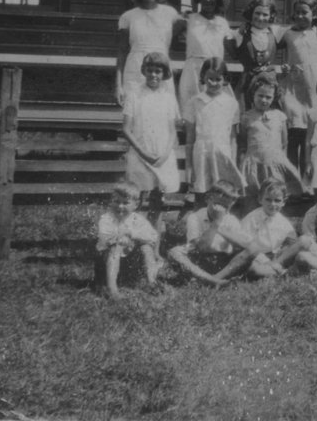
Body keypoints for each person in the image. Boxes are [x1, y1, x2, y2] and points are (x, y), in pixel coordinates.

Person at [122, 52, 180, 239]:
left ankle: (154, 240)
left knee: (157, 198)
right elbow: (126, 129)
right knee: (136, 198)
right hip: (141, 153)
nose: (154, 75)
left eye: (158, 71)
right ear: (144, 71)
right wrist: (142, 152)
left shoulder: (169, 97)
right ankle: (133, 238)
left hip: (162, 154)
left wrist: (165, 153)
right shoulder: (134, 94)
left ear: (164, 74)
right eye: (150, 70)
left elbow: (172, 131)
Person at [115, 0, 184, 104]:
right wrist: (118, 85)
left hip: (161, 67)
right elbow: (122, 52)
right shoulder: (128, 16)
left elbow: (184, 29)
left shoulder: (170, 13)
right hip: (135, 69)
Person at [184, 57, 244, 209]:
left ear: (225, 80)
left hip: (223, 153)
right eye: (209, 78)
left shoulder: (231, 103)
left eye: (218, 79)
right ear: (203, 77)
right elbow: (190, 139)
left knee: (223, 194)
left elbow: (233, 138)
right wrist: (189, 167)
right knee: (201, 195)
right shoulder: (194, 102)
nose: (213, 83)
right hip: (201, 152)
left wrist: (233, 161)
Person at [239, 73, 304, 212]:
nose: (264, 100)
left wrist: (280, 159)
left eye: (268, 97)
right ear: (253, 95)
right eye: (260, 95)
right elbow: (243, 142)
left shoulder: (280, 116)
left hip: (274, 163)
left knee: (274, 196)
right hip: (254, 163)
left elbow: (284, 142)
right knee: (253, 200)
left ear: (274, 97)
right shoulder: (246, 117)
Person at [279, 0, 317, 174]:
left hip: (314, 90)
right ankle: (293, 180)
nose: (300, 16)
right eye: (297, 13)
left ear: (314, 14)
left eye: (304, 12)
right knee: (294, 136)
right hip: (294, 88)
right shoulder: (289, 34)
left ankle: (308, 178)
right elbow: (269, 43)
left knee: (311, 136)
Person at [218, 178, 306, 280]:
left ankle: (277, 268)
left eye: (277, 200)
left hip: (277, 257)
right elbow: (246, 247)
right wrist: (265, 261)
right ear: (260, 199)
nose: (272, 204)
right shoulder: (251, 219)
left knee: (304, 242)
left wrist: (285, 252)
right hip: (257, 258)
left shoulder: (283, 221)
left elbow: (291, 242)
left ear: (283, 202)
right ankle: (281, 272)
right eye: (268, 199)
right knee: (254, 270)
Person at [167, 180, 249, 286]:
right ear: (208, 199)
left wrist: (223, 229)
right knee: (174, 252)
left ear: (231, 204)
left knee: (249, 253)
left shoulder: (232, 220)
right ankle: (214, 281)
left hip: (223, 261)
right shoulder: (195, 217)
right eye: (218, 204)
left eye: (225, 207)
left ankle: (207, 279)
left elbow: (242, 246)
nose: (221, 209)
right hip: (201, 259)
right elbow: (201, 247)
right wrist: (216, 223)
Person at [95, 181, 161, 299]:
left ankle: (152, 282)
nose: (120, 206)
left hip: (131, 260)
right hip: (108, 258)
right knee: (116, 248)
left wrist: (132, 234)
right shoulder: (106, 219)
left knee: (147, 247)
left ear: (135, 205)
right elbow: (104, 237)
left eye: (125, 203)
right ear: (111, 202)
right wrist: (118, 240)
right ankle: (112, 289)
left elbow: (153, 236)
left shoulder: (138, 219)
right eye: (116, 202)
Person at [178, 0, 232, 111]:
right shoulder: (189, 19)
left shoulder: (222, 23)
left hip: (215, 70)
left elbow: (232, 48)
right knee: (192, 110)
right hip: (193, 71)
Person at [229, 0, 284, 110]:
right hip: (247, 83)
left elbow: (295, 32)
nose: (260, 17)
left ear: (271, 16)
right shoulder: (241, 33)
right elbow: (225, 36)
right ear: (251, 13)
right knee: (246, 113)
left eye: (265, 14)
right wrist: (240, 31)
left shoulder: (275, 32)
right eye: (257, 13)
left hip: (269, 83)